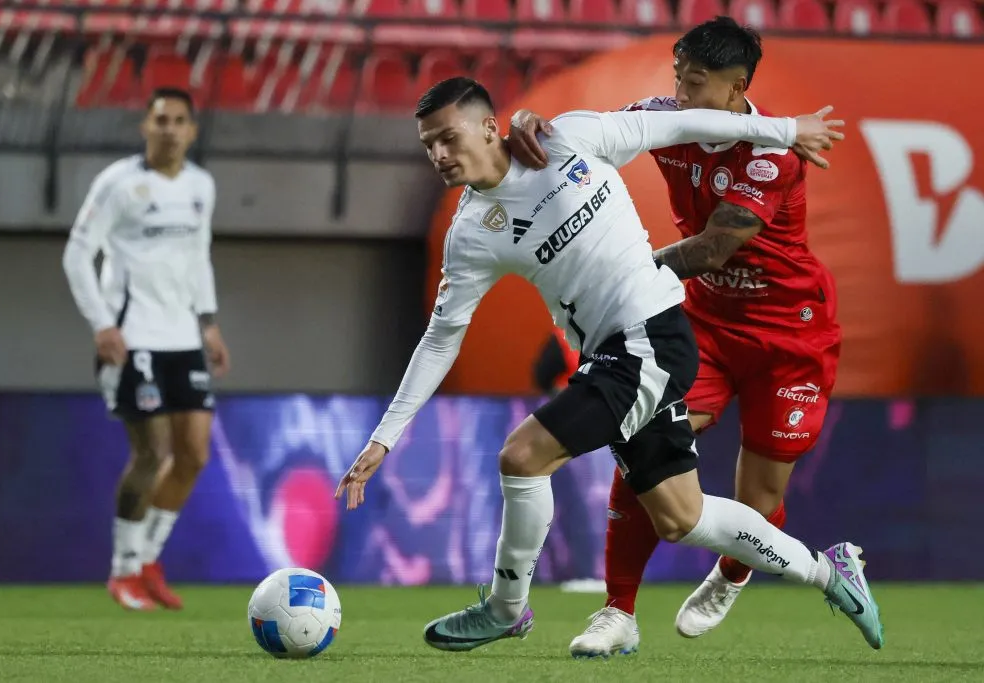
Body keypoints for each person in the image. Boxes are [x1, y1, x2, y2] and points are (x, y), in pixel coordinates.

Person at [334, 76, 882, 654]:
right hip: (613, 353)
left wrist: (786, 130)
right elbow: (441, 340)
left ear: (490, 126)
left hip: (653, 337)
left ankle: (505, 609)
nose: (440, 155)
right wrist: (384, 438)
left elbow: (685, 123)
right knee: (681, 517)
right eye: (429, 145)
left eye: (448, 137)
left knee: (522, 456)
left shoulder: (571, 137)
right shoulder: (471, 233)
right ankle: (830, 572)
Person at [506, 16, 848, 656]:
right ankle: (617, 612)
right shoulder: (663, 119)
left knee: (761, 495)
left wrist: (622, 270)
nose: (683, 95)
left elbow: (716, 247)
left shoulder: (772, 155)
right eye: (678, 79)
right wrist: (530, 125)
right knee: (640, 433)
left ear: (736, 87)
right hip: (707, 329)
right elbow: (578, 142)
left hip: (790, 337)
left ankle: (732, 571)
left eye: (697, 84)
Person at [62, 87, 230, 611]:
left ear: (192, 130)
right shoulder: (118, 183)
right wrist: (102, 324)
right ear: (145, 125)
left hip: (183, 337)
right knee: (151, 452)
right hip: (134, 339)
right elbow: (77, 252)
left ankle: (148, 562)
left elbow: (198, 255)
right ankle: (121, 572)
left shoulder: (202, 185)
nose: (169, 129)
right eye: (160, 119)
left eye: (179, 120)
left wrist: (208, 323)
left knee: (194, 455)